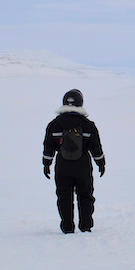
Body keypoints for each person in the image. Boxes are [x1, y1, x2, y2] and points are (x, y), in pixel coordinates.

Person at [43, 89, 106, 233]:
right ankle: (86, 226)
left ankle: (67, 227)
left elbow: (48, 146)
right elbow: (95, 147)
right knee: (85, 195)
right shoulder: (88, 125)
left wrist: (46, 163)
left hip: (62, 166)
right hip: (82, 166)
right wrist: (100, 162)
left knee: (64, 197)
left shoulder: (54, 125)